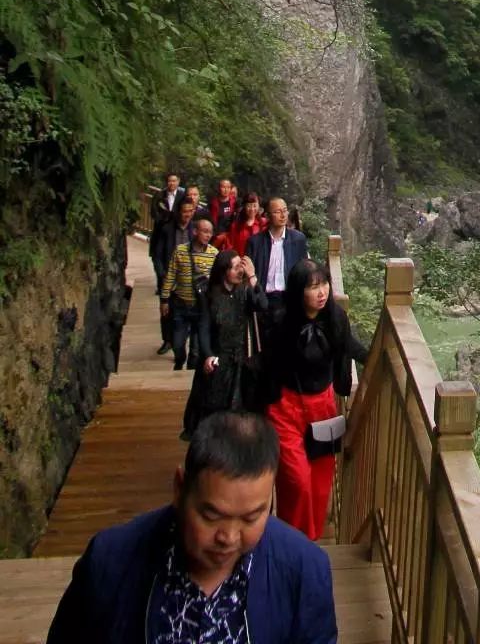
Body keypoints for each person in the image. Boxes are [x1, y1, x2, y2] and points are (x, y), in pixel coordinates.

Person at [46, 409, 338, 644]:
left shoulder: (304, 571)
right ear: (180, 488)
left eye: (251, 518)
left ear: (270, 500)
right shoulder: (110, 561)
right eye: (212, 516)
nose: (229, 537)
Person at [260, 259, 367, 540]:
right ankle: (290, 538)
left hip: (323, 407)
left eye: (324, 284)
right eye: (312, 287)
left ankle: (309, 540)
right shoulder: (283, 323)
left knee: (320, 485)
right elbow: (267, 364)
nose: (321, 292)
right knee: (297, 482)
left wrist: (374, 356)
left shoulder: (335, 318)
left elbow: (349, 345)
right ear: (298, 291)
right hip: (286, 407)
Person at [184, 252, 264, 439]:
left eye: (240, 266)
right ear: (223, 271)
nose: (239, 271)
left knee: (239, 408)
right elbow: (203, 327)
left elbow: (262, 304)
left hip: (240, 359)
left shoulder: (244, 291)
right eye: (235, 267)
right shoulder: (210, 295)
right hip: (219, 358)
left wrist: (252, 277)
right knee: (213, 408)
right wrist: (208, 354)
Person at [162, 214, 217, 372]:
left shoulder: (214, 254)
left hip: (202, 307)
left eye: (210, 232)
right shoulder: (180, 251)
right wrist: (164, 300)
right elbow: (171, 275)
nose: (207, 235)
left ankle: (189, 376)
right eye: (204, 231)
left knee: (196, 349)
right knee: (178, 343)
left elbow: (217, 281)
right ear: (195, 231)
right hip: (181, 304)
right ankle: (179, 360)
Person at [247, 197, 309, 340]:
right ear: (267, 216)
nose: (283, 215)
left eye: (285, 210)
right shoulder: (255, 242)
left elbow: (304, 269)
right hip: (263, 298)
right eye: (277, 211)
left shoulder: (298, 239)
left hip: (288, 299)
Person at [149, 180, 187, 356]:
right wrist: (162, 274)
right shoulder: (167, 229)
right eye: (184, 211)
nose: (186, 215)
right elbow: (157, 254)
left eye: (190, 212)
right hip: (168, 275)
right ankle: (167, 340)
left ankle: (181, 345)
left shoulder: (195, 230)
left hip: (186, 278)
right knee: (166, 309)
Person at [218, 189, 267, 257]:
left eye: (255, 205)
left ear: (259, 206)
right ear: (244, 206)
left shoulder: (263, 224)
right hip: (240, 262)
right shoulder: (235, 226)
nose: (252, 209)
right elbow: (229, 247)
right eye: (249, 206)